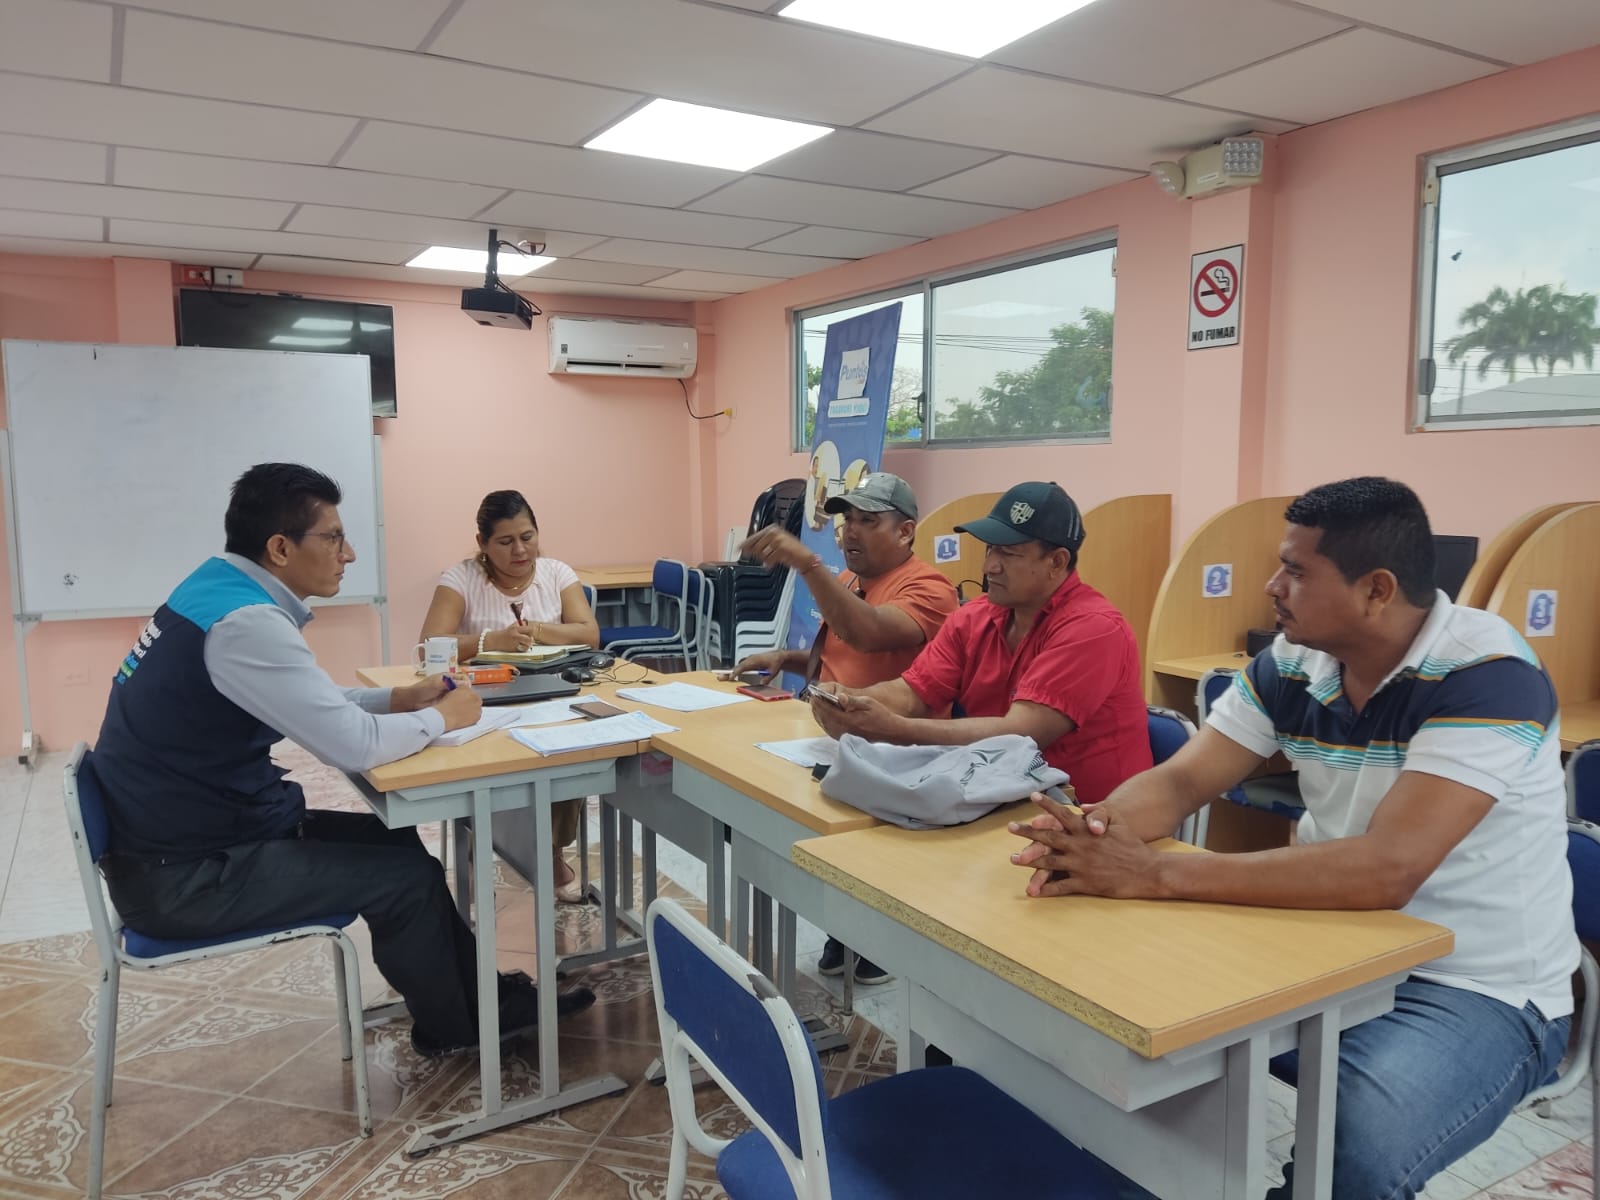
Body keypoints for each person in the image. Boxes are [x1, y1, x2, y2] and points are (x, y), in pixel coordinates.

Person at [1009, 477, 1578, 1199]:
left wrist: (1149, 874)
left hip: (1474, 984)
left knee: (1358, 1155)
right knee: (1120, 1023)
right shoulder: (1293, 661)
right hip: (1327, 941)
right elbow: (1182, 782)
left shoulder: (1487, 675)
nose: (1272, 587)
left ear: (1375, 590)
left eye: (1296, 572)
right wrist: (1090, 835)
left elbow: (1388, 869)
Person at [93, 464, 595, 1060]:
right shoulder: (246, 625)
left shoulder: (213, 590)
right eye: (333, 538)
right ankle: (459, 1024)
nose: (349, 553)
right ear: (280, 548)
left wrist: (397, 699)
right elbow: (352, 746)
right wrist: (445, 717)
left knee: (396, 840)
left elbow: (309, 700)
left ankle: (469, 998)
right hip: (187, 876)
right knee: (405, 880)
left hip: (190, 839)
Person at [736, 472, 958, 985]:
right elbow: (838, 655)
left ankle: (879, 939)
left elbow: (866, 633)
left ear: (906, 531)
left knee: (855, 846)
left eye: (867, 521)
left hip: (899, 754)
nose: (850, 532)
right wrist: (786, 657)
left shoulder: (929, 588)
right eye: (847, 520)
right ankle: (845, 925)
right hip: (835, 738)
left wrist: (808, 564)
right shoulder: (849, 581)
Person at [808, 480, 1152, 809]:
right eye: (990, 549)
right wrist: (852, 700)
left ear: (1057, 562)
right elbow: (913, 692)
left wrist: (893, 729)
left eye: (1009, 554)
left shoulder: (1093, 628)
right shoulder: (975, 616)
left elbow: (1021, 735)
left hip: (1088, 817)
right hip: (997, 795)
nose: (989, 567)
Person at [419, 489, 600, 903]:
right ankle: (475, 849)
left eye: (527, 537)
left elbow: (588, 633)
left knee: (567, 752)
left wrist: (537, 630)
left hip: (546, 693)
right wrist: (489, 641)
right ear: (482, 543)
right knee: (483, 766)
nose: (520, 550)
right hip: (480, 699)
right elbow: (431, 643)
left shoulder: (556, 573)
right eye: (505, 541)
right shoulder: (461, 577)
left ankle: (551, 853)